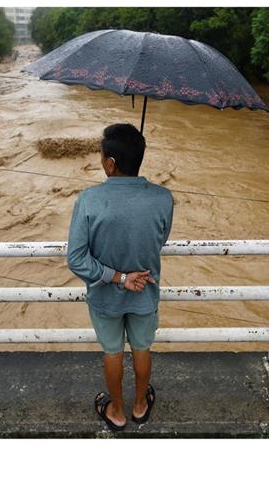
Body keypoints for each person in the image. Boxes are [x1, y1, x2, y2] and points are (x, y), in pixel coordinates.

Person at [67, 123, 174, 432]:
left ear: (111, 163)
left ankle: (116, 411)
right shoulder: (163, 198)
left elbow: (76, 258)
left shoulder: (88, 199)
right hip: (145, 291)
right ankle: (140, 405)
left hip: (105, 296)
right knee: (142, 348)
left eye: (102, 157)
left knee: (113, 352)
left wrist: (116, 276)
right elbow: (159, 239)